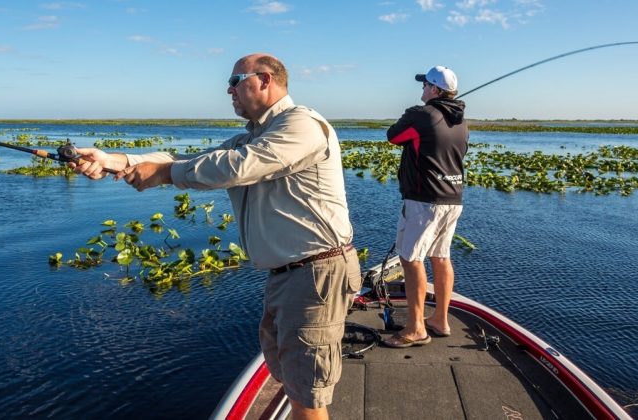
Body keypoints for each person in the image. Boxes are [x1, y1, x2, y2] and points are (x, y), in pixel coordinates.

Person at [69, 53, 361, 420]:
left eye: (235, 80)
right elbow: (186, 157)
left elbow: (238, 166)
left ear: (265, 79)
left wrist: (164, 174)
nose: (228, 89)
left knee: (307, 395)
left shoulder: (301, 124)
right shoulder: (252, 136)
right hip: (289, 276)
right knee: (292, 382)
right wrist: (119, 160)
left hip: (315, 274)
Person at [381, 65, 469, 348]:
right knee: (441, 257)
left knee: (410, 258)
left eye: (424, 86)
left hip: (423, 200)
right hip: (452, 199)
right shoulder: (462, 122)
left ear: (434, 89)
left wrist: (411, 113)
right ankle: (440, 320)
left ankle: (416, 327)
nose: (421, 90)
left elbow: (393, 136)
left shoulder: (421, 115)